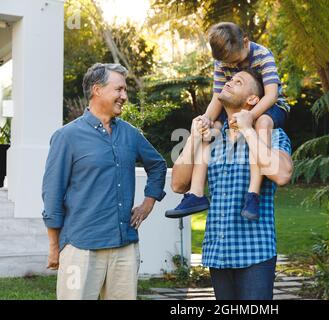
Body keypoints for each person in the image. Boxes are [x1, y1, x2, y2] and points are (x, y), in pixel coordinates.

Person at [42, 63, 167, 300]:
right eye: (119, 89)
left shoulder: (130, 133)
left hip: (125, 248)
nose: (124, 96)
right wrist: (54, 247)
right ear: (97, 90)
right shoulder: (67, 137)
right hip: (81, 247)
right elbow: (52, 194)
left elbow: (158, 165)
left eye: (125, 90)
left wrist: (147, 204)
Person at [171, 69, 293, 300]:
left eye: (239, 81)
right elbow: (178, 184)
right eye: (229, 79)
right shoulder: (212, 137)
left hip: (255, 253)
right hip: (218, 253)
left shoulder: (271, 133)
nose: (229, 83)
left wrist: (247, 129)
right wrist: (194, 137)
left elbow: (283, 174)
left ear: (252, 99)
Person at [165, 22, 290, 221]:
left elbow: (271, 95)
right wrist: (206, 119)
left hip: (270, 105)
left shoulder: (262, 54)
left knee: (263, 124)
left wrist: (250, 117)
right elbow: (217, 96)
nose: (232, 67)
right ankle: (196, 193)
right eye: (227, 64)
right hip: (242, 110)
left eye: (235, 61)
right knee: (211, 129)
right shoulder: (222, 61)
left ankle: (253, 193)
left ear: (245, 42)